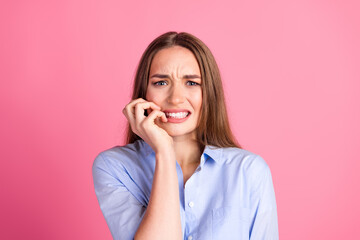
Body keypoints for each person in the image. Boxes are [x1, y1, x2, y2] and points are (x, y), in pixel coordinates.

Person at [92, 31, 279, 240]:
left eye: (191, 83)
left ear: (209, 93)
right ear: (143, 93)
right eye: (161, 83)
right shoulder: (115, 167)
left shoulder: (249, 171)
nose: (176, 99)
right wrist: (164, 151)